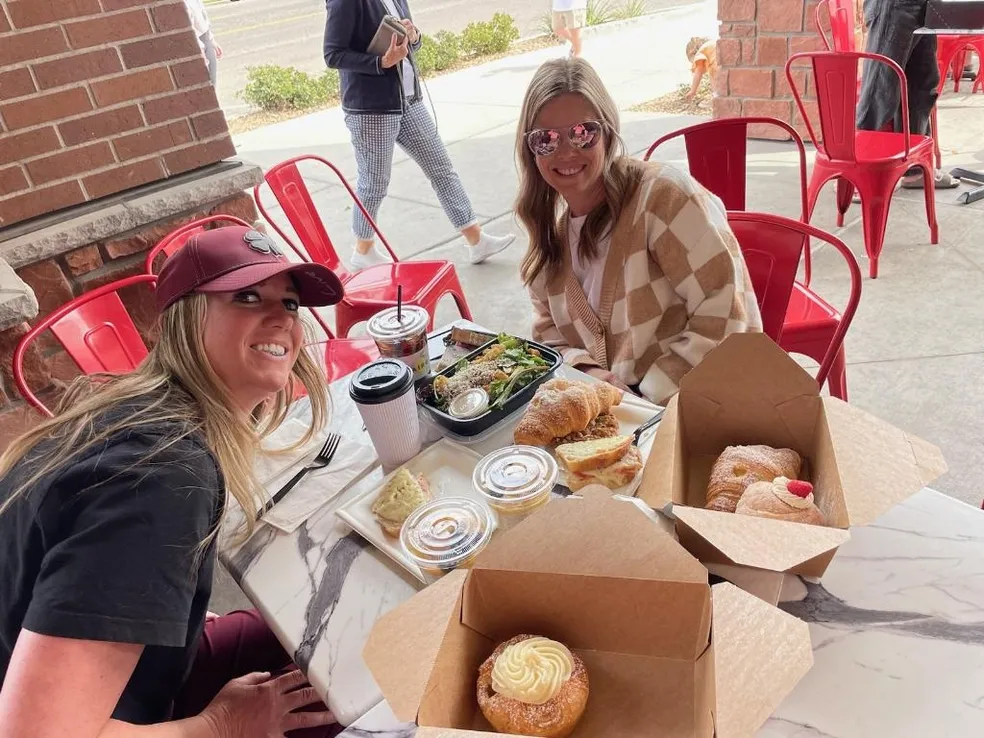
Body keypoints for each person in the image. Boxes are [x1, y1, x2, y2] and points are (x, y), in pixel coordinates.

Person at [0, 226, 346, 738]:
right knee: (352, 697)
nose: (280, 318)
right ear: (184, 322)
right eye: (247, 296)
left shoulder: (135, 413)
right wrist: (223, 724)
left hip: (128, 676)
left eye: (291, 303)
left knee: (315, 624)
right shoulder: (161, 475)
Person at [515, 58, 762, 406]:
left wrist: (643, 400)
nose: (567, 150)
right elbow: (548, 337)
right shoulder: (550, 242)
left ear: (609, 131)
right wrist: (587, 371)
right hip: (617, 419)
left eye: (584, 132)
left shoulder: (662, 196)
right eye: (546, 139)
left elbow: (729, 315)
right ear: (530, 148)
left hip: (694, 407)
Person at [324, 0, 515, 270]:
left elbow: (410, 45)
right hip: (371, 109)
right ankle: (362, 250)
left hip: (408, 100)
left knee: (442, 169)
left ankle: (476, 240)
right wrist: (382, 61)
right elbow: (333, 54)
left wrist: (414, 36)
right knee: (374, 183)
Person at [856, 0, 958, 189]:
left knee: (922, 84)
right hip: (895, 4)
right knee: (880, 87)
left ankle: (914, 168)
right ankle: (854, 172)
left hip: (924, 5)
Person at [184, 0, 222, 86]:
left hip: (205, 37)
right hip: (195, 43)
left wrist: (211, 39)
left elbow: (202, 13)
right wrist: (200, 50)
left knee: (212, 83)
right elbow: (189, 25)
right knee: (205, 84)